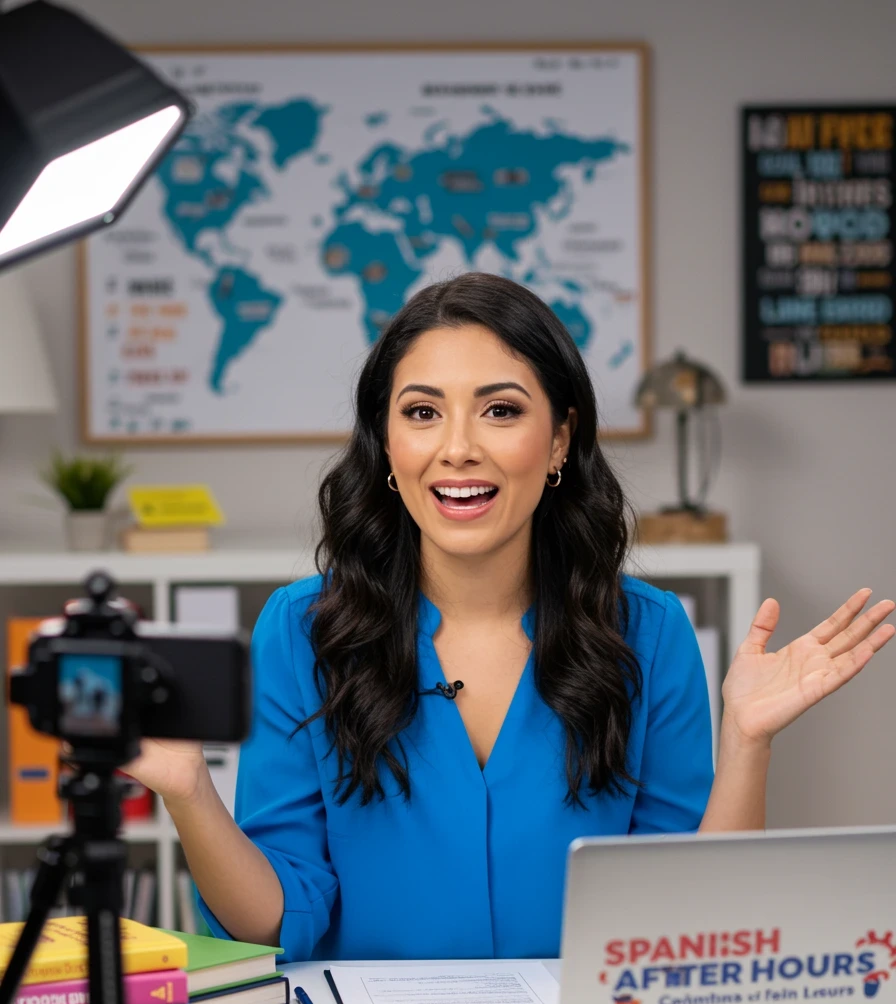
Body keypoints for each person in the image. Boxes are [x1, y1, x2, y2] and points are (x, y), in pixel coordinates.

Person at [118, 274, 894, 961]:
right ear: (387, 445)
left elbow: (696, 917)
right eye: (422, 412)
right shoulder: (299, 632)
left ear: (559, 438)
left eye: (500, 410)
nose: (457, 449)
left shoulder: (649, 633)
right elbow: (271, 922)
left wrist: (748, 742)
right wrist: (188, 788)